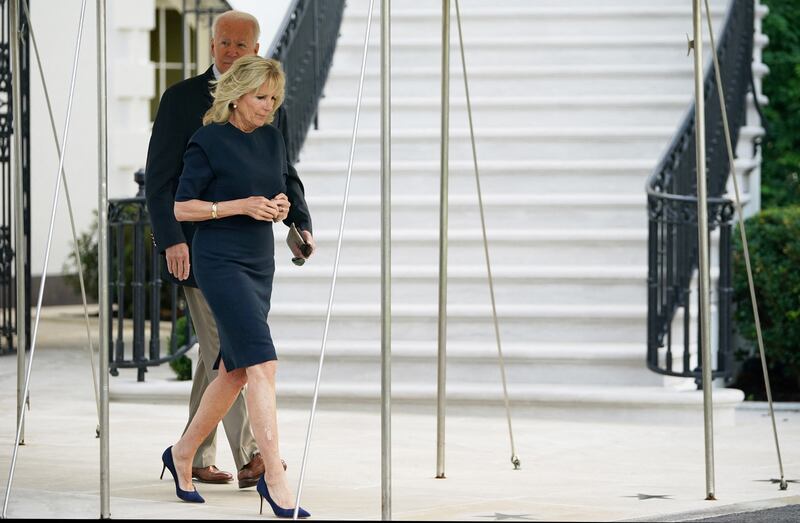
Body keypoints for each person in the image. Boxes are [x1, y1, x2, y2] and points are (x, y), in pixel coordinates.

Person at [145, 10, 314, 489]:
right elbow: (162, 182)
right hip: (202, 249)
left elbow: (285, 176)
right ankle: (257, 458)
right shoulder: (181, 101)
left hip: (255, 255)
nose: (231, 51)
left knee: (220, 359)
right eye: (224, 43)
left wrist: (296, 219)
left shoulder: (267, 112)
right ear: (212, 45)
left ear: (255, 50)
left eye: (241, 45)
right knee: (235, 353)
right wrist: (172, 240)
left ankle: (189, 453)